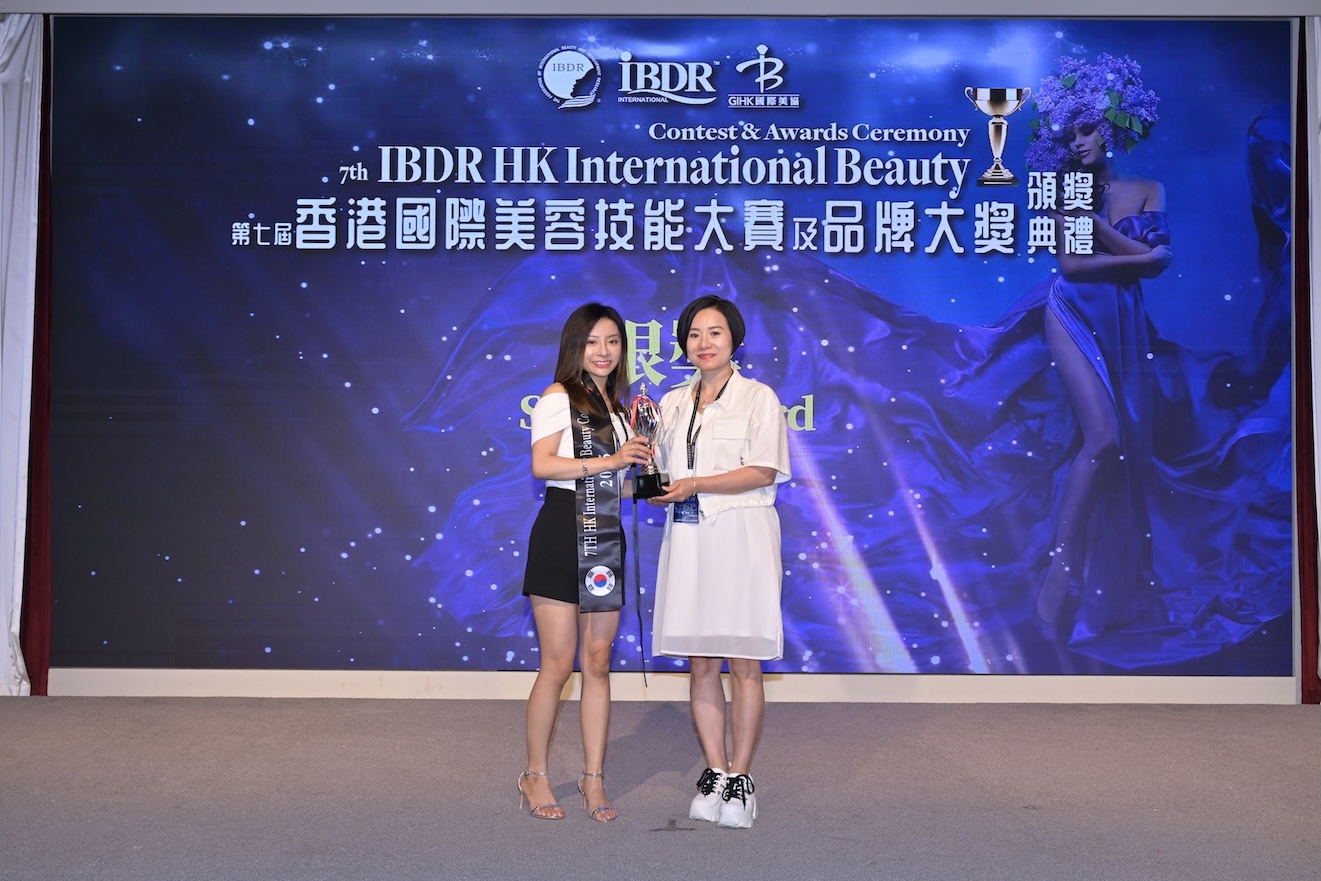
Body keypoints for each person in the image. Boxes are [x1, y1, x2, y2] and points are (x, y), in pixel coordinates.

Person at [1020, 54, 1170, 640]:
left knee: (1128, 446)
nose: (1078, 142)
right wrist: (1140, 254)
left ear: (1111, 126)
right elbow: (1075, 267)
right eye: (1069, 135)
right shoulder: (1063, 190)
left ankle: (1112, 589)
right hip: (1073, 311)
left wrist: (1103, 227)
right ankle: (1060, 573)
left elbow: (1155, 266)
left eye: (1086, 129)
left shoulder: (1148, 189)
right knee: (1102, 438)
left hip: (1124, 319)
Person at [647, 295, 791, 829]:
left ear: (734, 339)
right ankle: (714, 770)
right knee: (702, 662)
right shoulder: (670, 403)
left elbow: (763, 471)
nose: (703, 343)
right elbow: (662, 473)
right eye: (694, 334)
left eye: (715, 333)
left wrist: (695, 484)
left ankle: (741, 778)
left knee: (744, 664)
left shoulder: (758, 398)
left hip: (742, 536)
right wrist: (651, 478)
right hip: (689, 539)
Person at [516, 302, 652, 821]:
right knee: (557, 664)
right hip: (560, 531)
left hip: (604, 536)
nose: (604, 351)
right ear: (575, 346)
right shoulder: (558, 397)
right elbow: (543, 464)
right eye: (593, 341)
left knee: (597, 661)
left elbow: (612, 480)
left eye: (613, 341)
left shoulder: (619, 409)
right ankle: (534, 775)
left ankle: (594, 777)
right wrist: (612, 460)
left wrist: (647, 480)